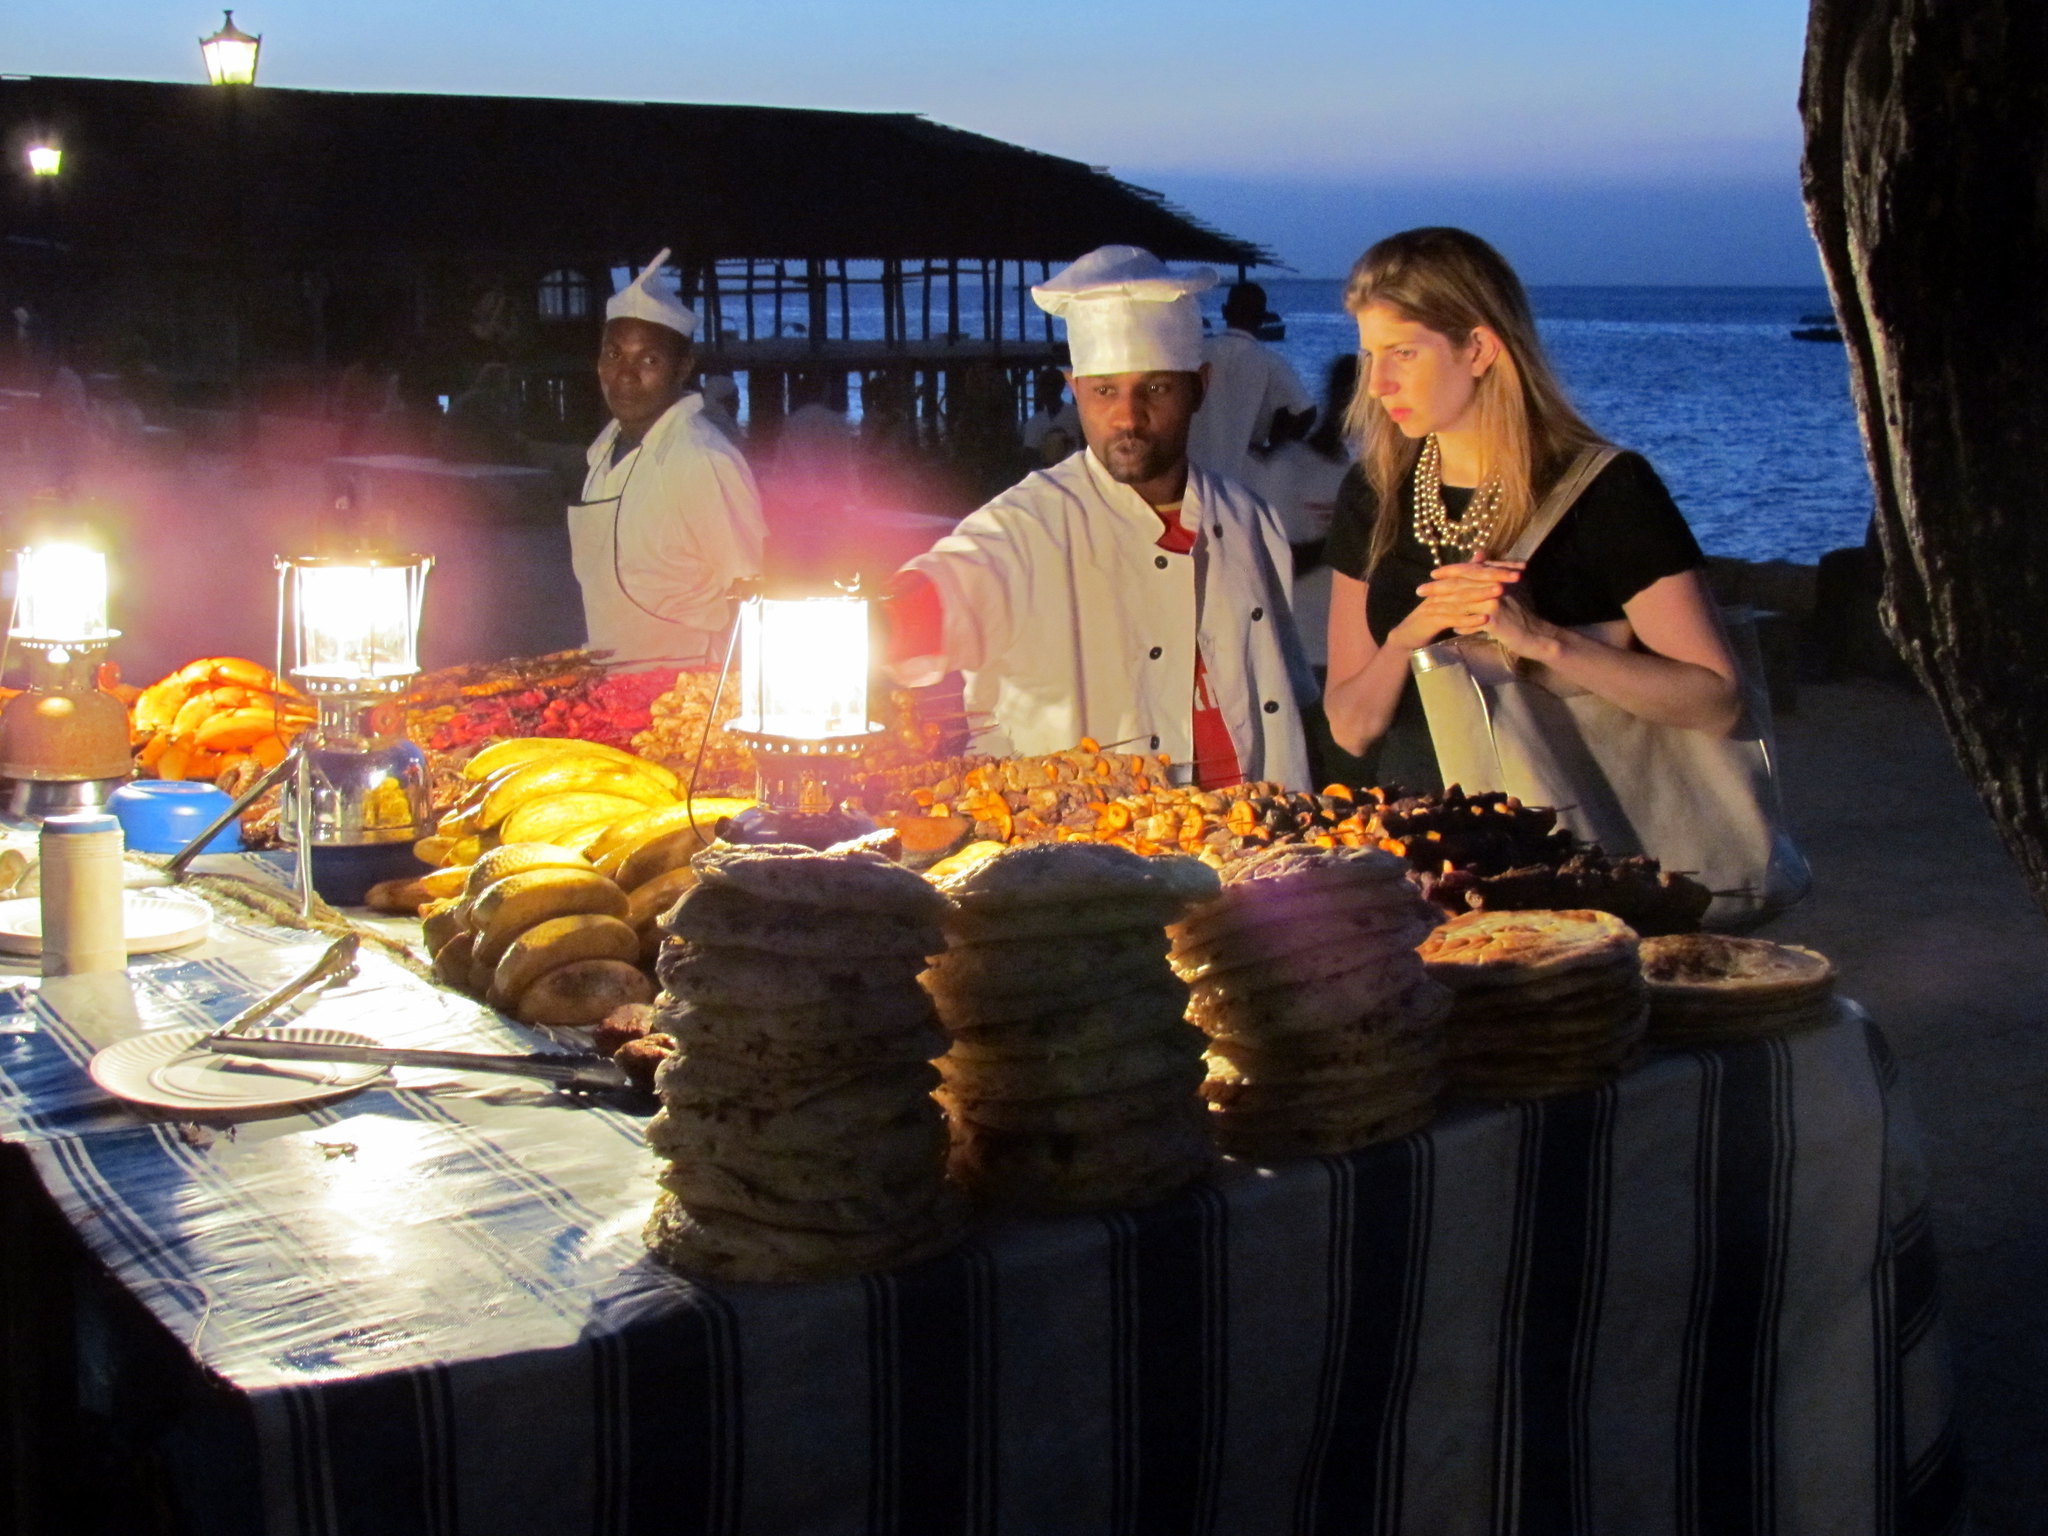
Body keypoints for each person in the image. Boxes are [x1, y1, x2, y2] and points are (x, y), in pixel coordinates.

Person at [1322, 226, 1740, 791]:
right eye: (1369, 354)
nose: (1377, 384)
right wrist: (1414, 634)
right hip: (1417, 839)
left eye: (1404, 353)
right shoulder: (1372, 494)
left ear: (1478, 348)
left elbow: (1716, 701)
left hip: (1577, 842)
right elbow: (1351, 729)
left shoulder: (1605, 488)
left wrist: (1539, 641)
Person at [888, 245, 1311, 789]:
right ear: (1075, 391)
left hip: (1255, 843)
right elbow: (953, 583)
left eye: (1155, 388)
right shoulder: (1031, 522)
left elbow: (1287, 702)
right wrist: (877, 621)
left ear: (1199, 387)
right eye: (1105, 391)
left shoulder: (1250, 520)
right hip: (1080, 854)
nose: (1128, 416)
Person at [571, 249, 764, 667]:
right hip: (609, 686)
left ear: (683, 368)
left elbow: (752, 593)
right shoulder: (603, 453)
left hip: (687, 691)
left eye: (649, 360)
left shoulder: (702, 459)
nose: (625, 374)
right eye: (614, 354)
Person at [1184, 281, 1315, 483]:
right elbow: (1306, 411)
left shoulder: (1195, 354)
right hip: (1243, 475)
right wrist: (1274, 452)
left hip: (1193, 472)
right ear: (1263, 319)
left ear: (1224, 311)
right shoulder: (1270, 362)